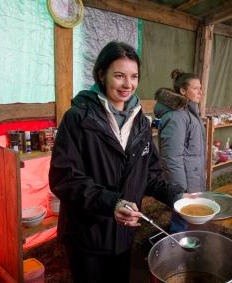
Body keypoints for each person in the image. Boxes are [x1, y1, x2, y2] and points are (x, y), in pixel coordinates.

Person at [49, 41, 184, 283]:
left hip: (124, 234)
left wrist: (178, 197)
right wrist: (111, 203)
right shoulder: (78, 118)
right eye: (119, 75)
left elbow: (150, 173)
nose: (127, 84)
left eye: (134, 76)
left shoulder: (141, 122)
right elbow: (65, 179)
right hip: (87, 235)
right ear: (102, 74)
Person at [154, 69, 207, 232]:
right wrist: (180, 190)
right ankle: (176, 246)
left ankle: (188, 241)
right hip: (184, 181)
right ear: (183, 91)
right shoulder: (176, 116)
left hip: (193, 176)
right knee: (181, 216)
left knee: (190, 215)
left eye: (200, 87)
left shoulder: (191, 113)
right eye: (196, 88)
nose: (201, 92)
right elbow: (171, 157)